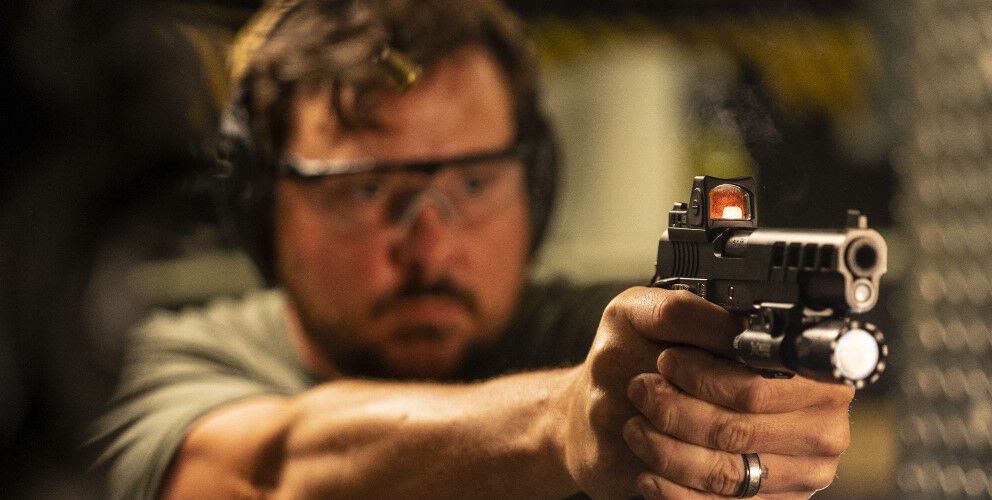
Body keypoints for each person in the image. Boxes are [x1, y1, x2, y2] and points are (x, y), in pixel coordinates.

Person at [93, 0, 855, 498]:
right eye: (365, 191)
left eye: (476, 184)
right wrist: (562, 422)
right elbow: (269, 468)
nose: (432, 244)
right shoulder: (159, 360)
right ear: (261, 208)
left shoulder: (593, 336)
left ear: (535, 187)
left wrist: (755, 419)